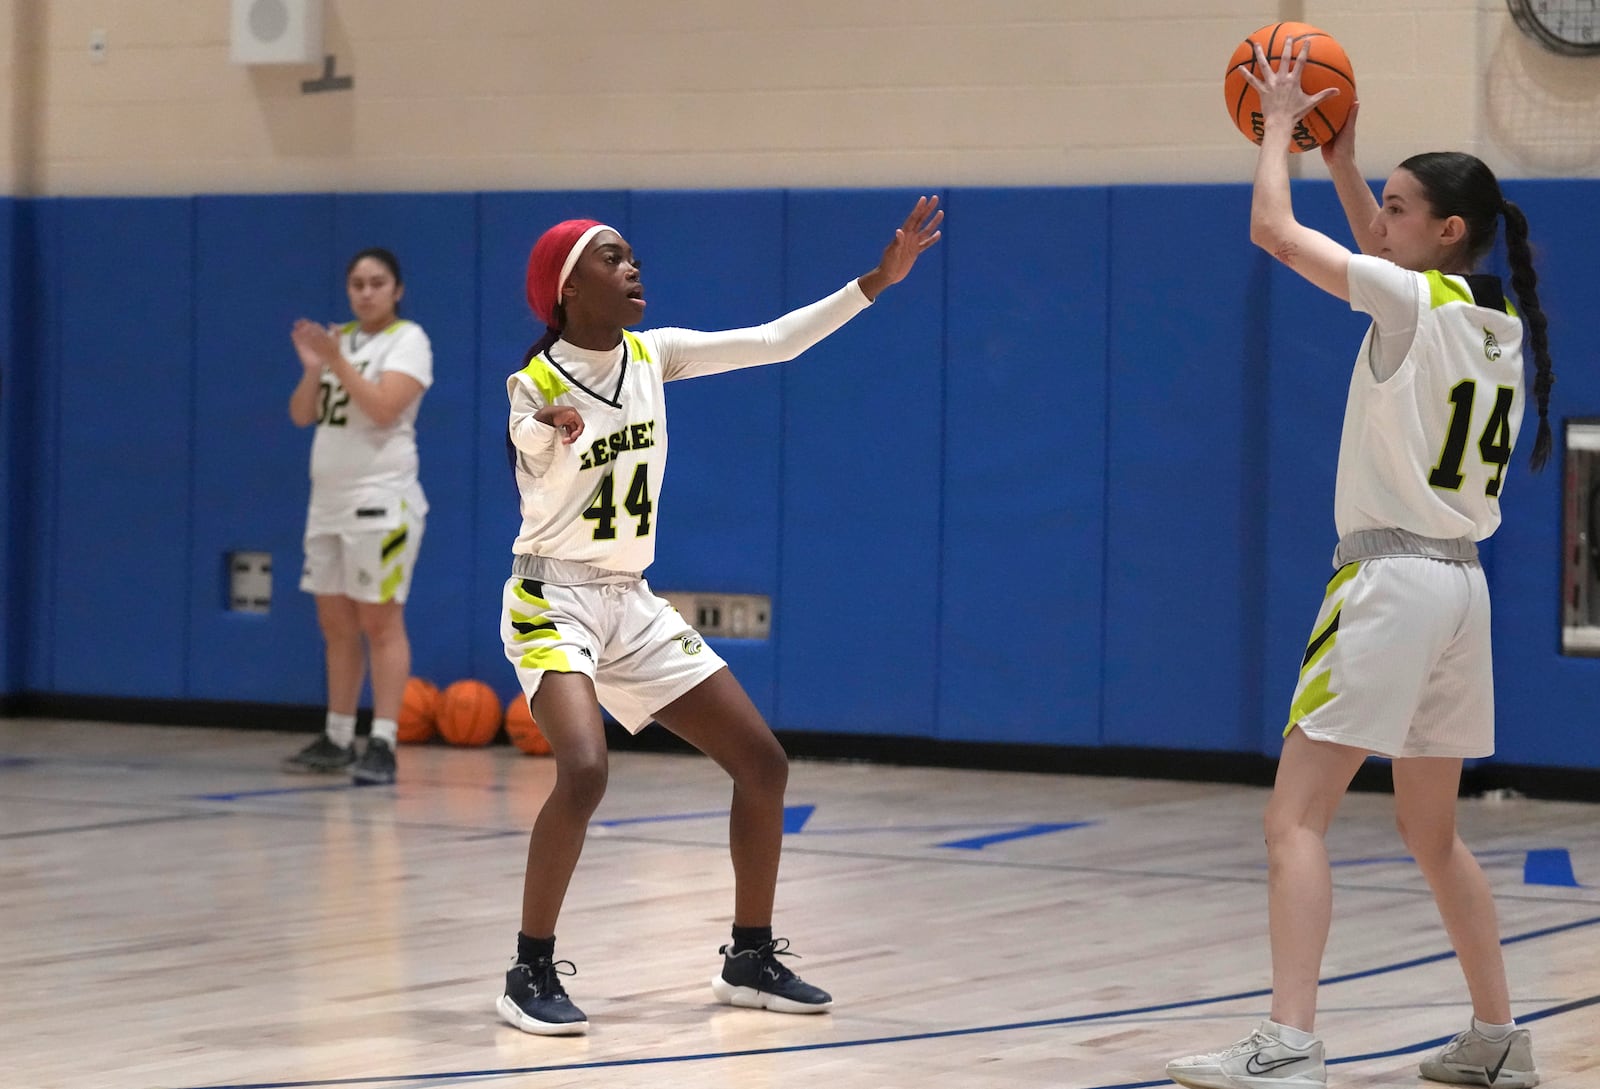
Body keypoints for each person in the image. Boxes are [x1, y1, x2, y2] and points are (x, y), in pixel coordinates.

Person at [1164, 41, 1551, 1089]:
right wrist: (1347, 167)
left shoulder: (1410, 303)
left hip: (1383, 585)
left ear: (1446, 230)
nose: (1379, 220)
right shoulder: (1495, 319)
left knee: (1291, 819)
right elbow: (1380, 264)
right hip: (1461, 591)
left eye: (1394, 206)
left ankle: (1287, 1043)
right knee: (1435, 834)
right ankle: (1499, 1036)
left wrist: (1279, 124)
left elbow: (1266, 229)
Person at [494, 197, 943, 1035]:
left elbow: (776, 341)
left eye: (633, 256)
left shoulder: (653, 355)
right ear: (567, 291)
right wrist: (547, 430)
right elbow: (527, 429)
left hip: (630, 598)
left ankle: (749, 954)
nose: (633, 268)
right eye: (612, 257)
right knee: (584, 770)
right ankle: (529, 968)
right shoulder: (536, 380)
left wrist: (878, 281)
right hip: (550, 599)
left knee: (763, 763)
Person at [282, 248, 433, 787]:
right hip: (327, 504)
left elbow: (384, 407)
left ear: (397, 289)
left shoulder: (408, 340)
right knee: (335, 624)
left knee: (380, 623)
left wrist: (337, 362)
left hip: (381, 502)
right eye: (357, 283)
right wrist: (311, 370)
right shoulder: (337, 339)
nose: (365, 292)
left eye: (377, 283)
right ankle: (339, 735)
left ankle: (384, 741)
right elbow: (303, 414)